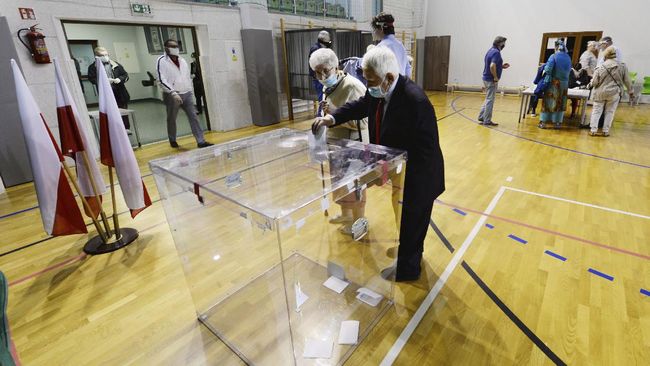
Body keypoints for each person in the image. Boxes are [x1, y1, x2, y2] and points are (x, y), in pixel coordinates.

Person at [311, 47, 445, 282]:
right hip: (398, 166)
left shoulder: (415, 100)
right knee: (409, 221)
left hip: (419, 172)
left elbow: (426, 148)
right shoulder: (380, 91)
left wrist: (387, 168)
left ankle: (407, 271)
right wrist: (331, 118)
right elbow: (360, 105)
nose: (368, 85)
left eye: (371, 80)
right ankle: (410, 256)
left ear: (390, 78)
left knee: (413, 221)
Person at [309, 48, 369, 233]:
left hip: (354, 145)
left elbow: (364, 121)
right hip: (336, 145)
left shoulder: (352, 86)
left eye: (325, 71)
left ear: (336, 67)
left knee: (355, 185)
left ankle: (359, 221)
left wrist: (333, 112)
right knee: (339, 183)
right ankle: (346, 215)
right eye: (317, 72)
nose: (322, 76)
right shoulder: (329, 86)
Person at [157, 39, 213, 148]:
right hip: (172, 95)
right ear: (166, 48)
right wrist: (172, 92)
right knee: (172, 118)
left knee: (194, 116)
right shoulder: (161, 61)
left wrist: (189, 89)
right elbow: (161, 79)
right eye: (172, 46)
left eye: (176, 46)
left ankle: (200, 141)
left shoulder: (182, 60)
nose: (175, 48)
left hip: (186, 93)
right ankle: (172, 139)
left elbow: (187, 76)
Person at [587, 46, 634, 137]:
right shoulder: (622, 66)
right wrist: (631, 92)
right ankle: (605, 131)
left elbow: (595, 82)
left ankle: (593, 130)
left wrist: (589, 85)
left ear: (606, 55)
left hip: (600, 92)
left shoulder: (600, 67)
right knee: (610, 112)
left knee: (597, 111)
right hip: (615, 92)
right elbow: (627, 81)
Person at [88, 46, 131, 131]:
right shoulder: (93, 67)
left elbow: (125, 75)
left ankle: (126, 128)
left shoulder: (115, 64)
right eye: (102, 55)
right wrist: (103, 81)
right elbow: (92, 79)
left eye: (106, 54)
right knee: (110, 113)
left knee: (123, 112)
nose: (105, 57)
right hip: (106, 94)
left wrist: (119, 79)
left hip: (119, 92)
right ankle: (114, 129)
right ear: (97, 56)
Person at [538, 39, 572, 129]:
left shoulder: (553, 56)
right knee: (560, 103)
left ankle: (543, 122)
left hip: (554, 83)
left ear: (556, 47)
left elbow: (548, 69)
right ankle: (558, 123)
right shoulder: (568, 57)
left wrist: (544, 69)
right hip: (564, 84)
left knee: (549, 102)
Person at [478, 36, 510, 126]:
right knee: (490, 100)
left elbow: (492, 64)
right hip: (491, 79)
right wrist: (495, 77)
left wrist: (501, 66)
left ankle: (481, 116)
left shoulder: (490, 50)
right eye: (504, 43)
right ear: (500, 43)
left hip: (486, 78)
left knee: (488, 98)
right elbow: (492, 66)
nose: (504, 45)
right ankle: (487, 120)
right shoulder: (496, 53)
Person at [371, 12, 411, 77]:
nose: (374, 32)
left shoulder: (380, 47)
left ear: (381, 29)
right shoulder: (400, 46)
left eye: (374, 29)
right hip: (402, 85)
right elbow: (408, 69)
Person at [309, 30, 333, 115]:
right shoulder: (316, 49)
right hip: (319, 79)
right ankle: (320, 117)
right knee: (322, 98)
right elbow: (317, 66)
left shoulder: (318, 48)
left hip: (321, 78)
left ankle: (321, 116)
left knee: (323, 98)